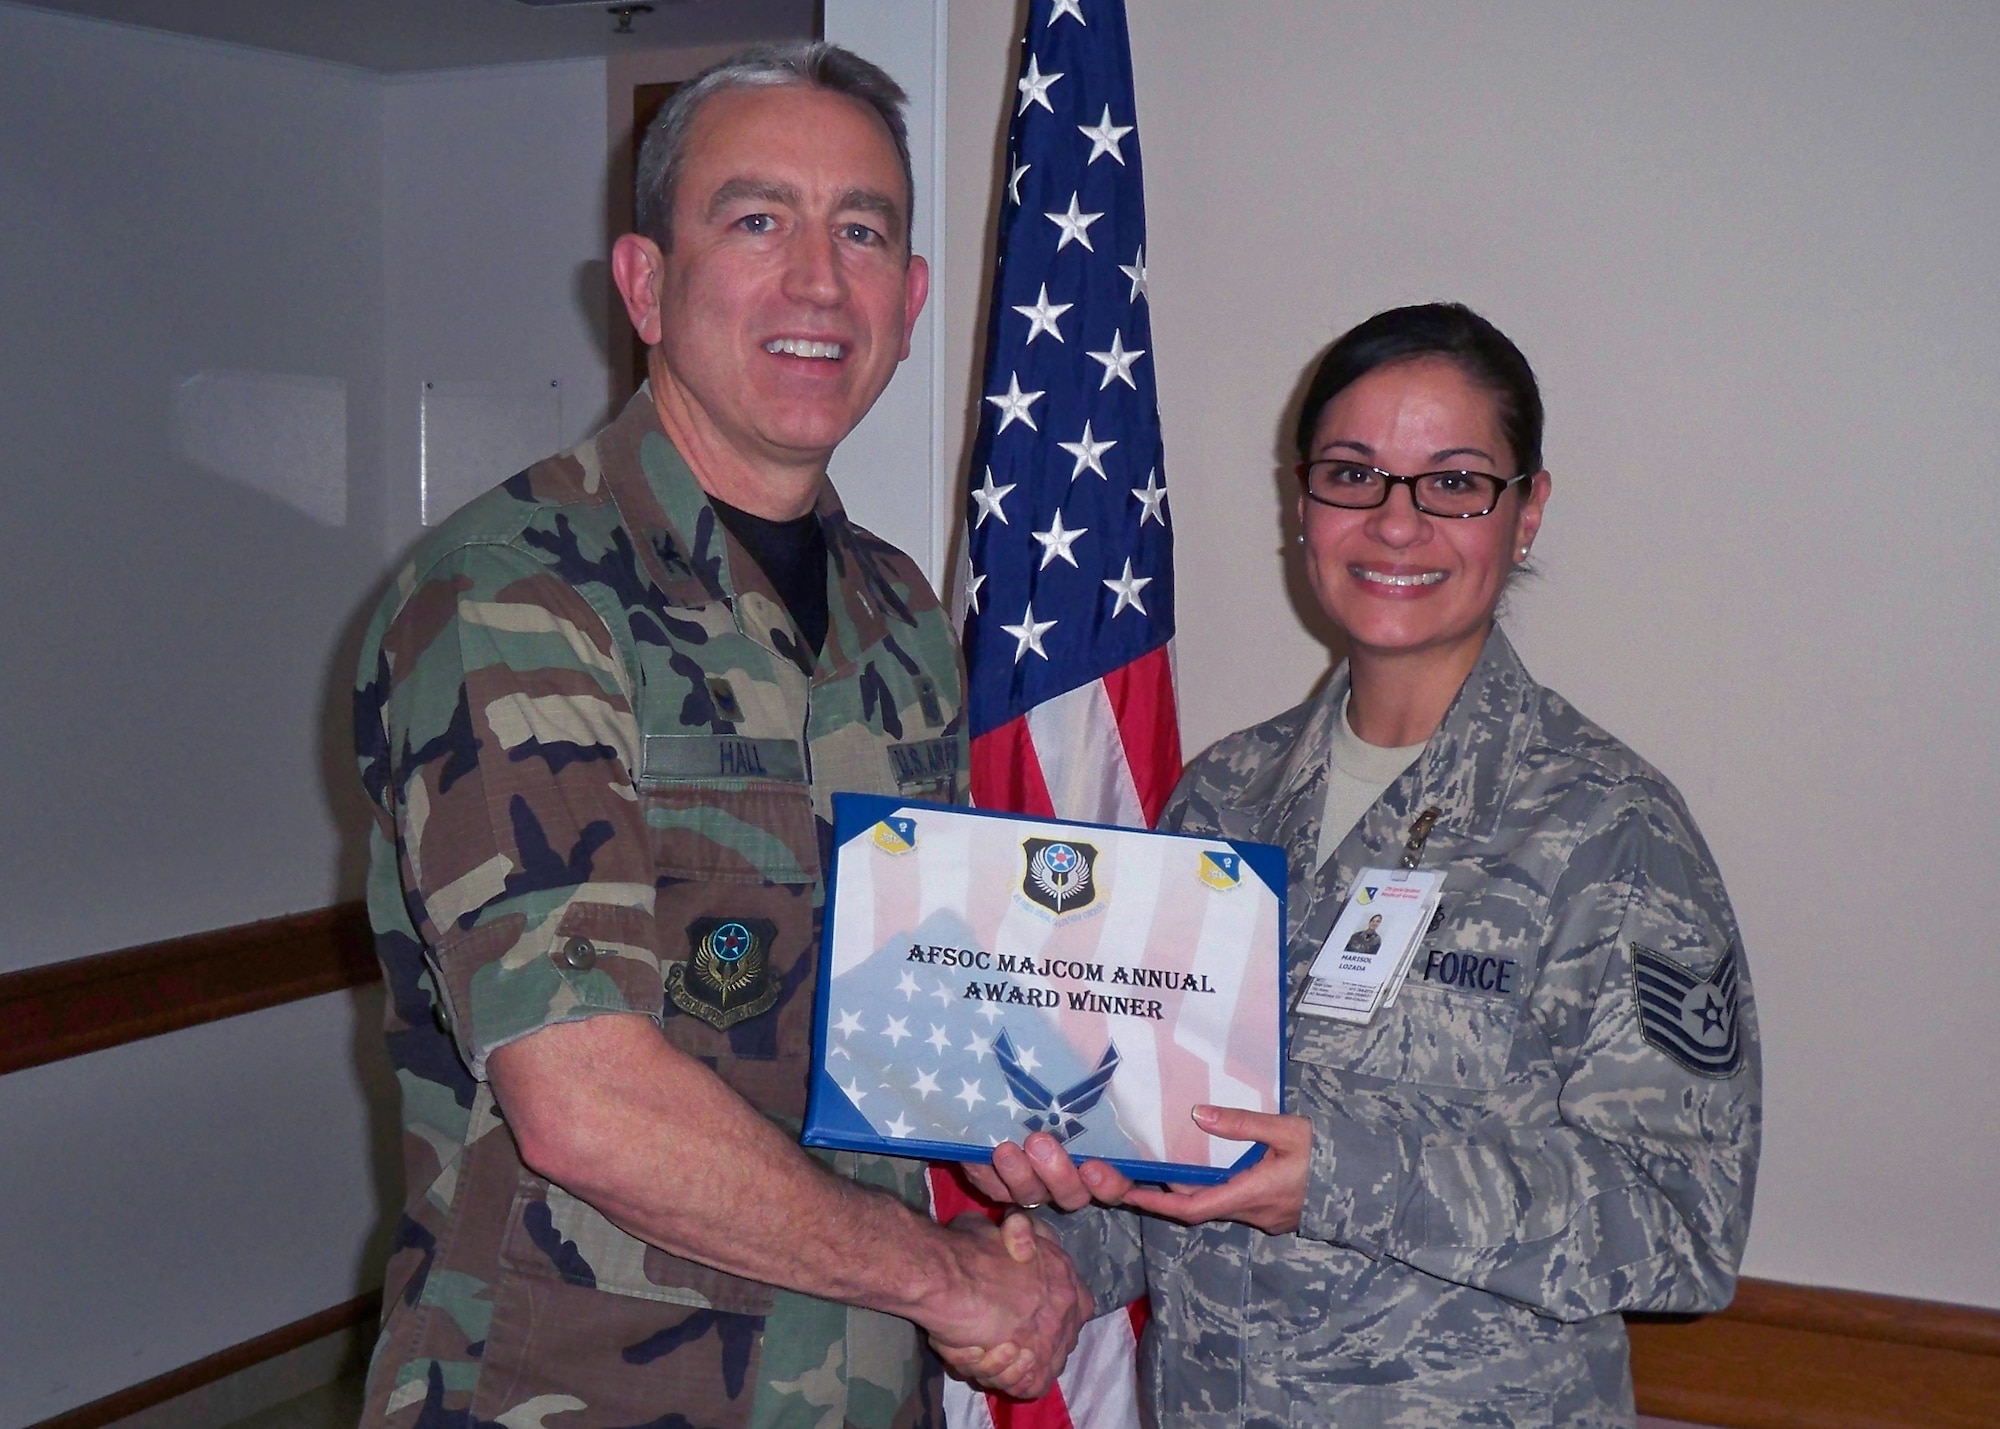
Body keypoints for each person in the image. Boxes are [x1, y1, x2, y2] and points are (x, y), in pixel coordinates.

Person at [351, 43, 1088, 1429]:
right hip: (577, 1390)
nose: (819, 280)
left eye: (862, 231)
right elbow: (585, 1099)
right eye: (757, 221)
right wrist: (949, 1282)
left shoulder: (900, 615)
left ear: (912, 300)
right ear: (642, 283)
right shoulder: (518, 590)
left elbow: (916, 1011)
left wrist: (1037, 1141)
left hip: (860, 1382)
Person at [952, 304, 1762, 1427]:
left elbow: (1681, 1222)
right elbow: (1163, 1155)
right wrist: (1036, 1246)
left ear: (1524, 511)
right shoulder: (1221, 801)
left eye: (1452, 482)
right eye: (1352, 475)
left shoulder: (1608, 831)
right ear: (1302, 503)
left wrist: (1341, 1177)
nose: (1394, 522)